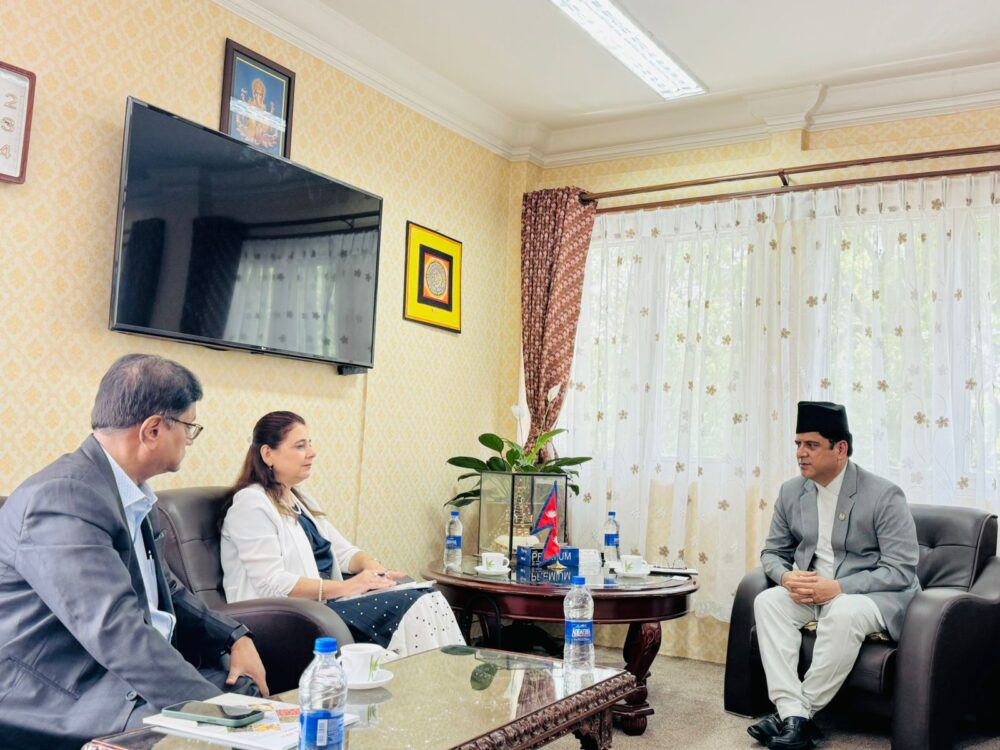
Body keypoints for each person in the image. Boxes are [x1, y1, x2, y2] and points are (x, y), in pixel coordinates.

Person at [0, 354, 268, 750]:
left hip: (124, 674)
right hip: (65, 691)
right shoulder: (62, 498)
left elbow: (167, 590)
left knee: (248, 692)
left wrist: (233, 637)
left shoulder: (128, 492)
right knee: (234, 724)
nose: (190, 440)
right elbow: (113, 628)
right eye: (189, 427)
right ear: (153, 430)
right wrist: (215, 713)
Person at [747, 401, 920, 749]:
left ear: (840, 449)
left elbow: (900, 569)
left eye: (811, 445)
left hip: (873, 596)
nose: (801, 453)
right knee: (767, 602)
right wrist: (785, 578)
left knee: (843, 610)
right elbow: (772, 552)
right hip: (815, 592)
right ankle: (793, 713)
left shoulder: (884, 495)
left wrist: (839, 587)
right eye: (798, 444)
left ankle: (797, 715)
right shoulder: (792, 491)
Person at [221, 411, 465, 657]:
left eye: (310, 443)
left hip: (325, 606)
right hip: (287, 618)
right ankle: (428, 675)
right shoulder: (251, 504)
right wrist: (347, 586)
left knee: (429, 595)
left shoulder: (300, 501)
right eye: (300, 446)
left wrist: (374, 569)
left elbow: (344, 553)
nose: (312, 452)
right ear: (267, 454)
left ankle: (444, 674)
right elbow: (272, 583)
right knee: (413, 603)